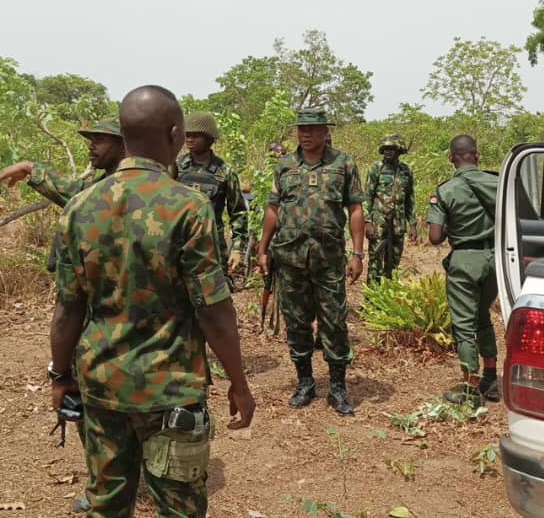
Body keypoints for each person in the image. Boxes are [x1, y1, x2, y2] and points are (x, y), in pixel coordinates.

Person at [49, 85, 255, 517]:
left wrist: (60, 375)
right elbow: (214, 310)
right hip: (171, 389)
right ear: (175, 134)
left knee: (106, 504)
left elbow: (68, 308)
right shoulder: (189, 208)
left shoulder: (78, 208)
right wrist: (239, 381)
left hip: (101, 386)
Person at [0, 118, 123, 514]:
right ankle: (105, 480)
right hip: (89, 310)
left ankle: (116, 482)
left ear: (121, 143)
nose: (91, 147)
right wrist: (32, 169)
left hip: (109, 309)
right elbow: (70, 192)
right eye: (90, 140)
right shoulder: (95, 188)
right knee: (87, 399)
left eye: (99, 140)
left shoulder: (130, 190)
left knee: (107, 398)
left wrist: (58, 372)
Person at [256, 106, 366, 416]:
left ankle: (337, 387)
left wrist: (357, 254)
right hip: (289, 257)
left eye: (312, 129)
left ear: (325, 131)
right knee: (297, 322)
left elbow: (355, 209)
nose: (305, 134)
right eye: (301, 129)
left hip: (329, 258)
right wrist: (263, 249)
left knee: (334, 322)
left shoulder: (343, 164)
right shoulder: (285, 165)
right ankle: (304, 382)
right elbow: (273, 209)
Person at [427, 136, 500, 406]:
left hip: (465, 261)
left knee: (464, 325)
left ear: (451, 159)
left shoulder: (446, 190)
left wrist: (453, 227)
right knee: (483, 317)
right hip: (494, 259)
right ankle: (491, 378)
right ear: (477, 156)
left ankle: (470, 389)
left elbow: (435, 237)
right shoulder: (498, 183)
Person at [176, 111, 249, 275]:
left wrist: (237, 249)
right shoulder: (176, 168)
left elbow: (238, 212)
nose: (190, 139)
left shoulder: (224, 172)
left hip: (212, 250)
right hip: (179, 246)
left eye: (196, 135)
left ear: (210, 139)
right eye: (187, 135)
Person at [364, 134, 416, 283]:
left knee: (393, 261)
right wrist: (368, 222)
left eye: (392, 149)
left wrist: (412, 223)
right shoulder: (376, 169)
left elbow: (410, 199)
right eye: (385, 149)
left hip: (398, 224)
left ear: (399, 151)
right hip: (379, 223)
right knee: (375, 260)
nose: (388, 152)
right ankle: (372, 300)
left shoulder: (406, 171)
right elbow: (367, 196)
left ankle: (388, 296)